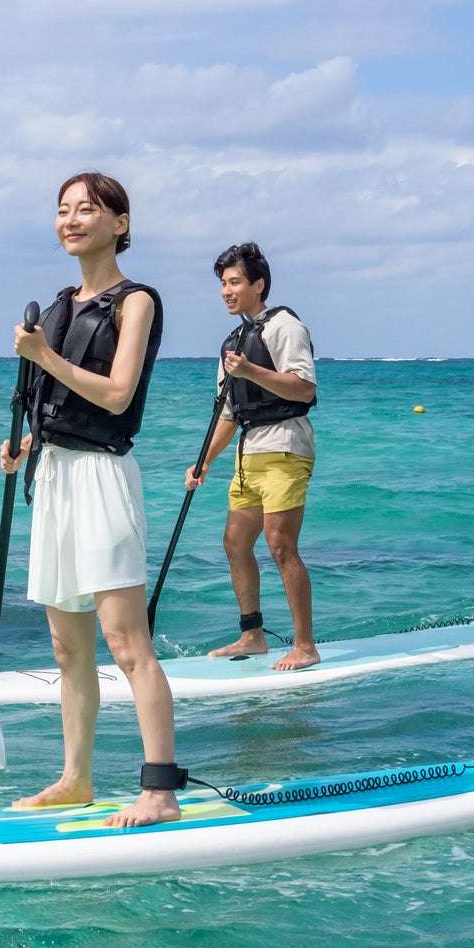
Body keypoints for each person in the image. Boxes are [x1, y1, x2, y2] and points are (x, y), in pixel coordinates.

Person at [0, 172, 186, 827]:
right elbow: (46, 399)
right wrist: (23, 445)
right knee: (67, 647)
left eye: (87, 210)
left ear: (121, 224)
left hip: (104, 475)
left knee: (126, 641)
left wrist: (43, 356)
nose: (72, 220)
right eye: (63, 210)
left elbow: (115, 394)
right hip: (52, 477)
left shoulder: (138, 302)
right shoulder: (56, 306)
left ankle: (159, 790)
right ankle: (76, 778)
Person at [183, 243, 320, 671]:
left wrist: (250, 371)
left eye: (235, 282)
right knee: (235, 543)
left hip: (285, 445)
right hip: (248, 452)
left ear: (258, 285)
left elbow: (304, 388)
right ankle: (253, 635)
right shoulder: (233, 342)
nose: (226, 290)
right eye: (222, 283)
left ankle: (305, 645)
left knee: (281, 545)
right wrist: (204, 460)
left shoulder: (285, 327)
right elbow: (228, 412)